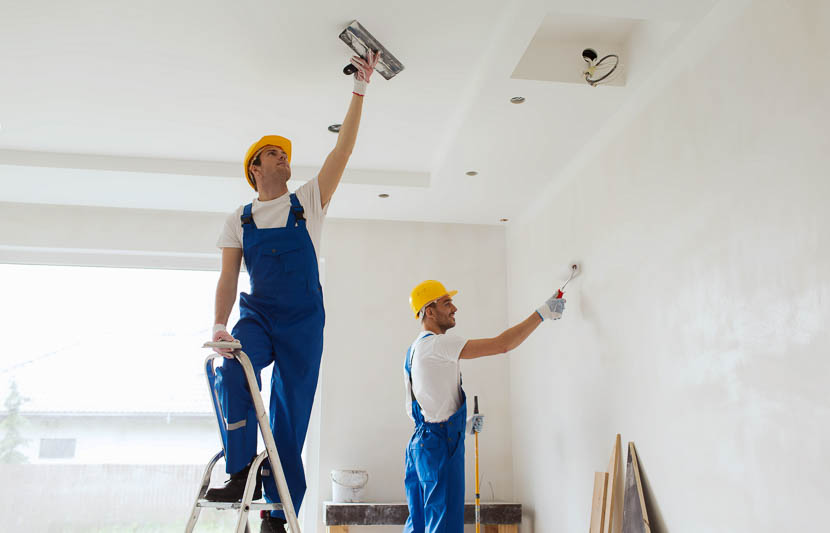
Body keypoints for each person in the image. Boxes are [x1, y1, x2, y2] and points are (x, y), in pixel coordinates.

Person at [205, 51, 380, 533]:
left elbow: (341, 151)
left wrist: (359, 90)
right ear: (254, 169)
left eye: (285, 153)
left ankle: (278, 514)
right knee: (233, 368)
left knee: (290, 418)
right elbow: (228, 277)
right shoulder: (238, 219)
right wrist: (220, 325)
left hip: (304, 322)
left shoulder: (308, 203)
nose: (283, 156)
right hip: (258, 315)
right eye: (272, 153)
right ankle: (240, 469)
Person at [403, 280, 566, 533]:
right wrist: (542, 313)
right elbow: (502, 345)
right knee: (443, 528)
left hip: (421, 447)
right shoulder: (437, 344)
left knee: (420, 526)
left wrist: (462, 427)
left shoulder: (413, 350)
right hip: (438, 447)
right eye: (447, 303)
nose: (454, 308)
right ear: (429, 311)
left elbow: (424, 406)